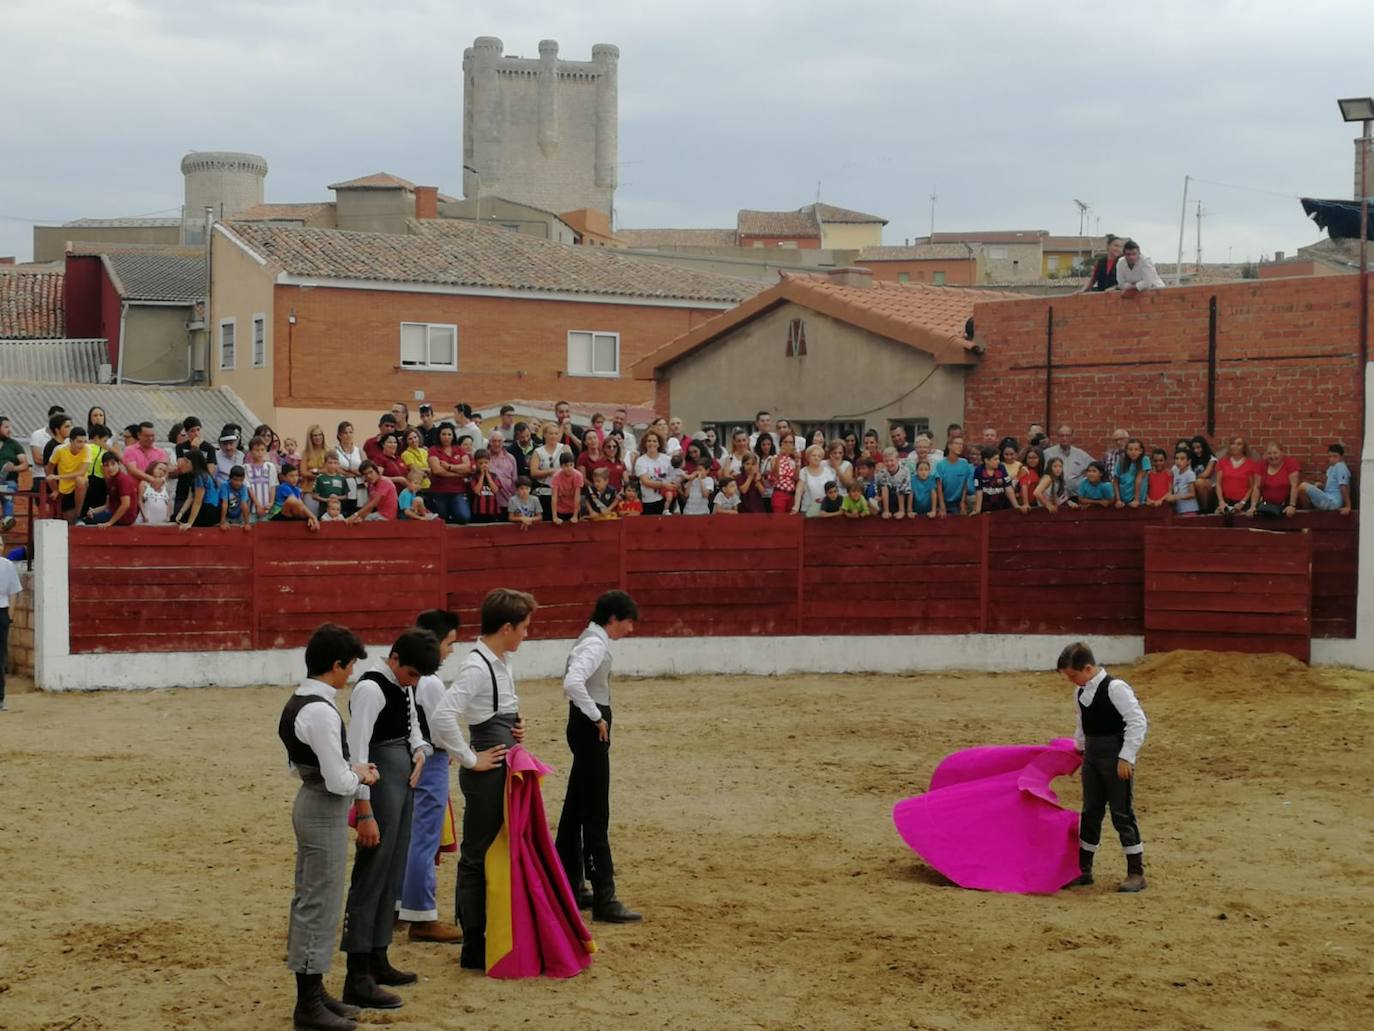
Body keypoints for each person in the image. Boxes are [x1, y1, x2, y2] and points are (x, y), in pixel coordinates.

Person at [429, 588, 535, 970]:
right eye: (523, 627)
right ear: (506, 627)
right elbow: (443, 716)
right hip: (488, 773)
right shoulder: (478, 666)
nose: (526, 634)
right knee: (478, 854)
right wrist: (471, 759)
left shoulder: (498, 660)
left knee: (494, 849)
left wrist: (515, 728)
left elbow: (498, 710)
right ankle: (474, 943)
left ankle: (488, 933)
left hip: (501, 766)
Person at [279, 623, 375, 1031]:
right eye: (350, 665)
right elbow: (337, 781)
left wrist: (348, 771)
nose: (351, 673)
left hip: (314, 801)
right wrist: (362, 777)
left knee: (314, 900)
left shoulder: (301, 701)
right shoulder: (319, 709)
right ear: (336, 665)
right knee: (319, 903)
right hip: (324, 807)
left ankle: (314, 993)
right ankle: (308, 1004)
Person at [339, 629, 438, 1010]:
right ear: (393, 658)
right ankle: (357, 973)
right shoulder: (371, 689)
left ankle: (378, 957)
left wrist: (419, 750)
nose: (412, 682)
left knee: (392, 869)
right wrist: (363, 807)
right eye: (411, 674)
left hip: (401, 779)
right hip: (379, 783)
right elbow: (358, 750)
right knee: (373, 871)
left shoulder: (401, 683)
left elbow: (413, 725)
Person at [400, 609, 493, 945]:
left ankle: (400, 906)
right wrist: (465, 754)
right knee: (424, 838)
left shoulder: (405, 677)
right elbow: (443, 727)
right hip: (432, 761)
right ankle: (421, 916)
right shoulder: (431, 681)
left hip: (411, 759)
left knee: (411, 836)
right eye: (449, 643)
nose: (451, 650)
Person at [556, 591, 643, 923]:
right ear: (614, 618)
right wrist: (596, 716)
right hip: (590, 729)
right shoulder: (594, 644)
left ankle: (569, 884)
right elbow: (573, 682)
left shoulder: (589, 639)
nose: (630, 629)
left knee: (576, 809)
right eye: (628, 621)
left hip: (583, 727)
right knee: (595, 813)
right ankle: (605, 897)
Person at [1057, 641, 1148, 893]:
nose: (1071, 681)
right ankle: (1084, 870)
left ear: (1086, 668)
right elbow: (1082, 726)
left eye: (1073, 675)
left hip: (1115, 758)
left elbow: (1137, 721)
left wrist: (1126, 757)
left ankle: (1136, 873)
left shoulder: (1115, 688)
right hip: (1093, 757)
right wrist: (1078, 751)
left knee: (1122, 813)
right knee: (1090, 811)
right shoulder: (1080, 692)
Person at [426, 425, 472, 525]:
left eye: (449, 434)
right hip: (439, 491)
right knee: (441, 520)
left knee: (464, 517)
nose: (446, 437)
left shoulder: (459, 449)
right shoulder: (433, 450)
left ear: (453, 436)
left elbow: (467, 468)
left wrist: (449, 467)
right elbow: (437, 470)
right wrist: (458, 474)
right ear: (439, 435)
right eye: (443, 434)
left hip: (458, 491)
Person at [82, 453, 138, 527]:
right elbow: (108, 505)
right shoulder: (111, 479)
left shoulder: (122, 479)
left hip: (124, 517)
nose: (110, 468)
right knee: (86, 517)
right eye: (107, 465)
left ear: (119, 464)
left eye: (113, 464)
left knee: (84, 522)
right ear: (103, 467)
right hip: (113, 512)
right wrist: (94, 511)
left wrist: (109, 523)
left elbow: (125, 505)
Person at [50, 424, 92, 523]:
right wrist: (54, 489)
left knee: (80, 480)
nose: (82, 445)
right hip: (65, 487)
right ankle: (75, 518)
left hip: (81, 486)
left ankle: (79, 515)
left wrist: (59, 476)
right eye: (79, 442)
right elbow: (49, 468)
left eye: (84, 441)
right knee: (69, 520)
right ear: (71, 441)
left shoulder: (87, 449)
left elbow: (82, 472)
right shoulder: (59, 450)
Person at [1251, 442, 1300, 518]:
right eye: (1269, 453)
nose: (1272, 456)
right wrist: (1253, 507)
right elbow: (1256, 487)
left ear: (1282, 453)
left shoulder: (1290, 463)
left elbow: (1295, 485)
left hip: (1285, 505)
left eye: (1275, 453)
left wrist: (1292, 505)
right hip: (1267, 506)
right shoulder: (1261, 465)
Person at [1300, 443, 1353, 514]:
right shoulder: (1331, 468)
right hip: (1327, 497)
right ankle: (1309, 511)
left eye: (1335, 456)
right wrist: (1319, 485)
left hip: (1333, 502)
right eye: (1329, 456)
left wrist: (1348, 506)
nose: (1332, 459)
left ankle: (1307, 513)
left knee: (1303, 486)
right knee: (1307, 486)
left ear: (1341, 457)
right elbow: (1329, 486)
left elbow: (1344, 486)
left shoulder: (1340, 466)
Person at [1043, 426, 1094, 495]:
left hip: (1076, 495)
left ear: (1072, 437)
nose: (1065, 438)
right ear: (1057, 437)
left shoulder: (1081, 454)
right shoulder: (1048, 453)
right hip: (1055, 496)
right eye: (1062, 436)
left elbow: (1095, 467)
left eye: (1068, 435)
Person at [632, 430, 673, 516]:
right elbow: (645, 482)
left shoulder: (667, 459)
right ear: (645, 444)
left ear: (659, 444)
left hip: (666, 499)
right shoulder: (641, 461)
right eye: (649, 441)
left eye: (654, 441)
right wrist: (664, 484)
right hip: (649, 501)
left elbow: (673, 476)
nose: (652, 443)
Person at [1215, 436, 1259, 515]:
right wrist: (1221, 502)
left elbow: (1251, 487)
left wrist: (1242, 502)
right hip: (1225, 501)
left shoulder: (1251, 464)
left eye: (1239, 444)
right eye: (1233, 444)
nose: (1235, 446)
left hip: (1242, 503)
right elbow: (1218, 484)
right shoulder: (1222, 462)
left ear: (1244, 447)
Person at [269, 464, 321, 529]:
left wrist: (308, 517)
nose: (295, 478)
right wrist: (313, 517)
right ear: (283, 477)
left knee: (300, 507)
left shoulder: (296, 489)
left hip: (290, 516)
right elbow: (292, 501)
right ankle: (313, 518)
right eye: (291, 476)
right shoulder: (283, 487)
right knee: (291, 501)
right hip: (278, 516)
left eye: (296, 475)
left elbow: (301, 505)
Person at [0, 416, 30, 530]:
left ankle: (8, 519)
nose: (9, 430)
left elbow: (25, 464)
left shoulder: (14, 444)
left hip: (8, 481)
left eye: (9, 427)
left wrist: (14, 468)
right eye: (6, 427)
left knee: (7, 494)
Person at [0, 539, 19, 710]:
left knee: (0, 657)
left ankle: (0, 698)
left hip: (1, 611)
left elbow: (13, 593)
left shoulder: (7, 565)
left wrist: (9, 617)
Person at [934, 438, 975, 516]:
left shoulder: (964, 463)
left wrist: (962, 502)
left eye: (961, 444)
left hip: (958, 502)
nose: (960, 446)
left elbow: (965, 485)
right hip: (944, 502)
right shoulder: (941, 464)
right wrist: (942, 506)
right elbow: (939, 487)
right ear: (949, 446)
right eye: (957, 444)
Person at [971, 446, 1016, 515]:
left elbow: (1008, 487)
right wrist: (977, 510)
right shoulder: (979, 470)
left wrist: (1016, 506)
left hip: (1003, 507)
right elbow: (979, 491)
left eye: (998, 459)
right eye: (995, 459)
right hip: (986, 508)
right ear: (986, 460)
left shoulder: (1001, 467)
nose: (998, 461)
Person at [245, 435, 279, 523]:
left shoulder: (270, 466)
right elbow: (249, 488)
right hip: (251, 508)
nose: (260, 453)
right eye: (256, 450)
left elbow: (273, 485)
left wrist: (271, 503)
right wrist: (258, 505)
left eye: (262, 450)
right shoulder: (245, 468)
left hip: (267, 508)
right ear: (251, 452)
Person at [334, 422, 366, 518]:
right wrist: (352, 473)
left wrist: (349, 469)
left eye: (350, 432)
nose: (348, 435)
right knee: (345, 513)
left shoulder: (359, 450)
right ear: (340, 435)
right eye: (345, 433)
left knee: (358, 513)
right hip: (343, 487)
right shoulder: (335, 451)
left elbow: (366, 468)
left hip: (360, 487)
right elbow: (336, 469)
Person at [792, 445, 833, 516]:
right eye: (813, 455)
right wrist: (796, 506)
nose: (816, 458)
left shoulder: (828, 471)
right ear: (808, 458)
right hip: (807, 509)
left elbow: (832, 490)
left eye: (819, 456)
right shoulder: (803, 471)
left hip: (825, 510)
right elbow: (799, 490)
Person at [1112, 438, 1150, 508]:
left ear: (1141, 451)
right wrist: (1118, 499)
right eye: (1130, 449)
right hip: (1123, 501)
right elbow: (1115, 481)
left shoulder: (1144, 460)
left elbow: (1139, 478)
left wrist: (1136, 500)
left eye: (1136, 449)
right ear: (1126, 451)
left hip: (1136, 500)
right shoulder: (1121, 462)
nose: (1133, 452)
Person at [550, 451, 586, 526]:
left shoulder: (578, 476)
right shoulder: (556, 477)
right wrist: (555, 517)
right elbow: (554, 497)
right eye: (566, 466)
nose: (569, 468)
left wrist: (575, 515)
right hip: (560, 509)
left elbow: (577, 496)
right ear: (561, 466)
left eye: (571, 465)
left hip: (573, 509)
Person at [876, 447, 913, 519]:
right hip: (889, 496)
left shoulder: (904, 470)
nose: (889, 463)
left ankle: (902, 510)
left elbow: (902, 490)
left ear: (897, 460)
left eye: (891, 460)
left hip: (904, 495)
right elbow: (881, 489)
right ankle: (886, 510)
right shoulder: (882, 472)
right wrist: (886, 510)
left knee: (908, 491)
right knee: (884, 487)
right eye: (886, 461)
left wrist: (901, 511)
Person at [1163, 449, 1200, 515]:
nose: (1178, 461)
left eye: (1182, 459)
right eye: (1177, 458)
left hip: (1189, 509)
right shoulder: (1175, 472)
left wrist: (1175, 497)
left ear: (1188, 461)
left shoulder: (1190, 474)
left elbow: (1192, 494)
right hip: (1179, 510)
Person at [467, 451, 501, 524]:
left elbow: (495, 490)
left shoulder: (494, 476)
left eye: (486, 462)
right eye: (481, 463)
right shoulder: (473, 477)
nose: (484, 465)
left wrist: (487, 475)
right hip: (478, 510)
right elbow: (476, 491)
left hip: (492, 510)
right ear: (476, 463)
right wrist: (482, 475)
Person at [770, 434, 799, 514]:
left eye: (791, 442)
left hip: (792, 494)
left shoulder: (793, 460)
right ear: (780, 444)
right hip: (780, 493)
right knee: (780, 520)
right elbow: (776, 476)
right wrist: (779, 457)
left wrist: (797, 463)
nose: (788, 445)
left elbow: (796, 478)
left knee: (790, 521)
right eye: (785, 442)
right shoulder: (774, 458)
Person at [1189, 436, 1218, 514]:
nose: (1196, 450)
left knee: (1199, 482)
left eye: (1198, 447)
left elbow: (1206, 474)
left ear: (1204, 446)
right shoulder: (1193, 460)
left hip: (1211, 488)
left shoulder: (1212, 459)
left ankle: (1204, 510)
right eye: (1194, 448)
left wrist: (1192, 479)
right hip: (1196, 487)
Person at [139, 461, 173, 525]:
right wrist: (145, 516)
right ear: (152, 468)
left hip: (162, 517)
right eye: (159, 469)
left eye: (164, 471)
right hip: (147, 517)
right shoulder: (144, 483)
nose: (161, 472)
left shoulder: (166, 485)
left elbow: (169, 502)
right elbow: (140, 500)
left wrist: (167, 516)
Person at [221, 466, 253, 531]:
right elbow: (224, 504)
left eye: (241, 480)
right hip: (226, 517)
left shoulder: (243, 487)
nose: (238, 483)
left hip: (239, 518)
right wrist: (222, 522)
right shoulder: (225, 485)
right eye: (235, 479)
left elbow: (244, 505)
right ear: (230, 478)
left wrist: (247, 523)